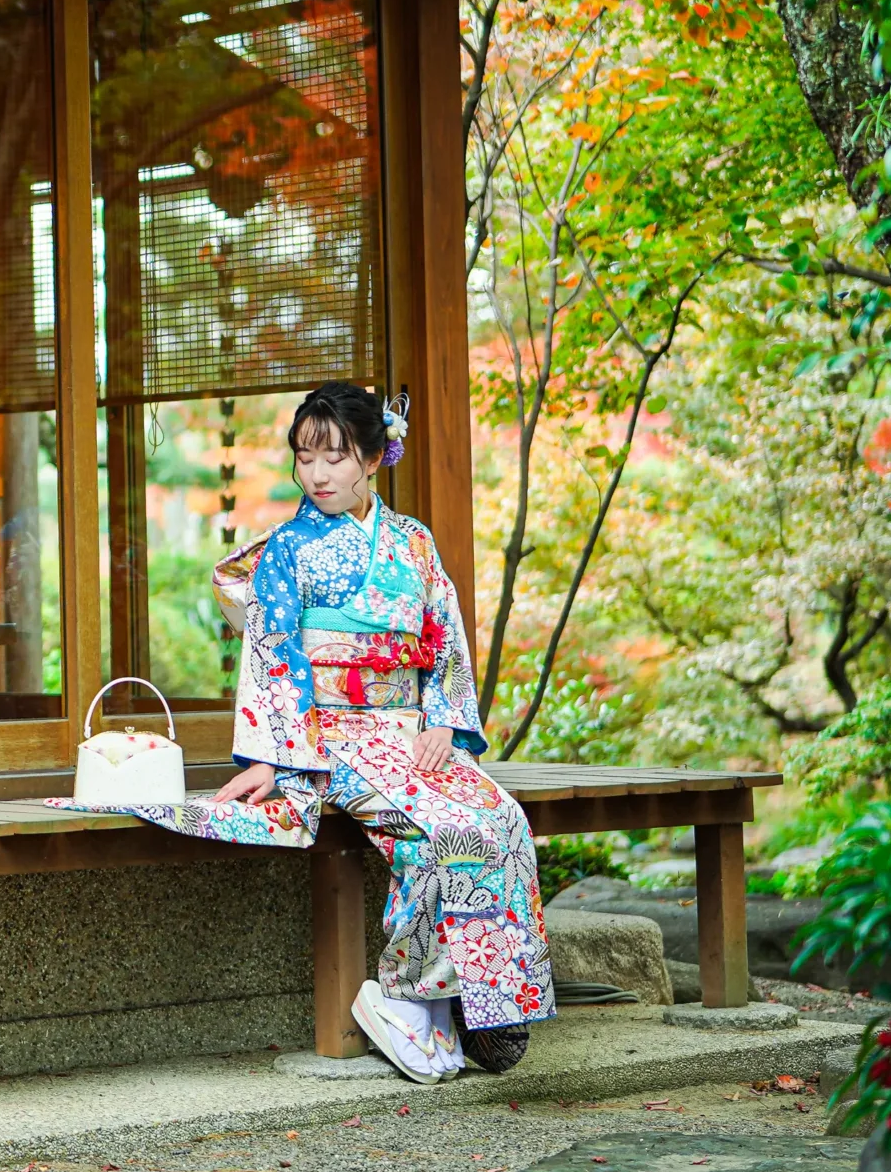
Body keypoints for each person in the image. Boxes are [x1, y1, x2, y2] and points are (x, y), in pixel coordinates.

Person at [86, 381, 555, 1080]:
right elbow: (275, 652)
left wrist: (444, 721)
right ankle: (406, 998)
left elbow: (443, 635)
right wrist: (276, 756)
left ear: (372, 456)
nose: (318, 474)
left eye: (334, 457)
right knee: (441, 828)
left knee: (502, 819)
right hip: (332, 732)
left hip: (411, 728)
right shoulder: (287, 548)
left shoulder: (415, 542)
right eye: (305, 458)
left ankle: (471, 1007)